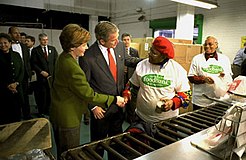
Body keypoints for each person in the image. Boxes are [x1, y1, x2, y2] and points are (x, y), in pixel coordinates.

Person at [49, 23, 126, 158]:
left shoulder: (64, 57)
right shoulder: (73, 66)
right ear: (73, 46)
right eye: (84, 44)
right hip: (69, 117)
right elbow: (87, 93)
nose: (86, 47)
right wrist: (113, 99)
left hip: (61, 112)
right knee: (69, 153)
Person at [79, 21, 141, 145]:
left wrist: (147, 61)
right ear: (102, 41)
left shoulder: (120, 46)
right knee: (98, 144)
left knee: (117, 141)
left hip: (119, 106)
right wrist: (93, 106)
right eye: (113, 40)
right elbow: (84, 84)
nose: (117, 42)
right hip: (101, 109)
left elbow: (127, 60)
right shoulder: (87, 56)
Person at [123, 36, 191, 124]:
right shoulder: (142, 65)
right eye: (150, 50)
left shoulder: (177, 70)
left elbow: (187, 95)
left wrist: (173, 102)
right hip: (141, 118)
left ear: (164, 56)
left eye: (154, 53)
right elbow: (132, 84)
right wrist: (126, 94)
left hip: (167, 121)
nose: (149, 54)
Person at [188, 36, 233, 110]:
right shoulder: (197, 59)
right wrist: (203, 79)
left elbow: (229, 78)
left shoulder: (224, 59)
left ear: (216, 45)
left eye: (210, 44)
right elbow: (191, 77)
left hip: (219, 101)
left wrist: (223, 76)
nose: (207, 46)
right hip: (200, 100)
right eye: (205, 44)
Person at [31, 33, 58, 117]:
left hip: (51, 76)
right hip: (41, 77)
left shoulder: (52, 49)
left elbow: (56, 61)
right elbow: (33, 63)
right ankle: (41, 111)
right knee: (42, 95)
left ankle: (48, 110)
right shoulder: (35, 50)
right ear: (40, 40)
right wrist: (41, 71)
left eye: (46, 39)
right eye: (43, 40)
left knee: (50, 94)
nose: (45, 41)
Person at [8, 26, 32, 120]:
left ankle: (27, 115)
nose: (18, 35)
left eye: (19, 33)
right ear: (10, 34)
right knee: (15, 98)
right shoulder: (7, 47)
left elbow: (27, 61)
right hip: (13, 77)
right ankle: (16, 117)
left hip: (24, 75)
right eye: (15, 33)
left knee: (25, 97)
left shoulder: (23, 46)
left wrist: (29, 73)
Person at [0, 33, 24, 125]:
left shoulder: (16, 55)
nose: (3, 45)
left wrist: (16, 83)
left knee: (17, 116)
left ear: (10, 44)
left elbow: (22, 71)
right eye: (0, 43)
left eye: (5, 43)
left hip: (17, 90)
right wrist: (8, 86)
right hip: (3, 92)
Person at [121, 32, 140, 123]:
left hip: (131, 77)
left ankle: (130, 118)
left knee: (131, 99)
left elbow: (136, 64)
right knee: (122, 96)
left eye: (128, 39)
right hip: (121, 77)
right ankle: (122, 115)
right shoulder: (118, 51)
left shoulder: (134, 51)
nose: (126, 41)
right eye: (124, 40)